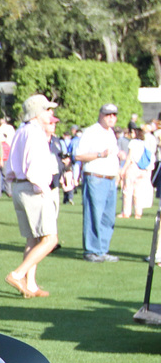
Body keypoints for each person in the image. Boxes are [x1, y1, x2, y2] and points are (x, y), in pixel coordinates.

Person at [5, 94, 62, 297]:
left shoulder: (21, 131)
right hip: (32, 188)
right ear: (38, 112)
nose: (50, 113)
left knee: (33, 240)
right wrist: (43, 189)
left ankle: (30, 285)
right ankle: (18, 274)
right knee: (50, 239)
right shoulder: (35, 133)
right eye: (47, 110)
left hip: (20, 187)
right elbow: (34, 168)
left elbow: (10, 166)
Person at [75, 102, 122, 262]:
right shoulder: (91, 131)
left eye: (114, 115)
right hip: (96, 177)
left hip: (110, 179)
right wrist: (100, 154)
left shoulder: (111, 134)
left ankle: (102, 250)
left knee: (108, 217)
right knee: (93, 214)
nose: (111, 118)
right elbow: (79, 155)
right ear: (101, 115)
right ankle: (91, 250)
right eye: (108, 115)